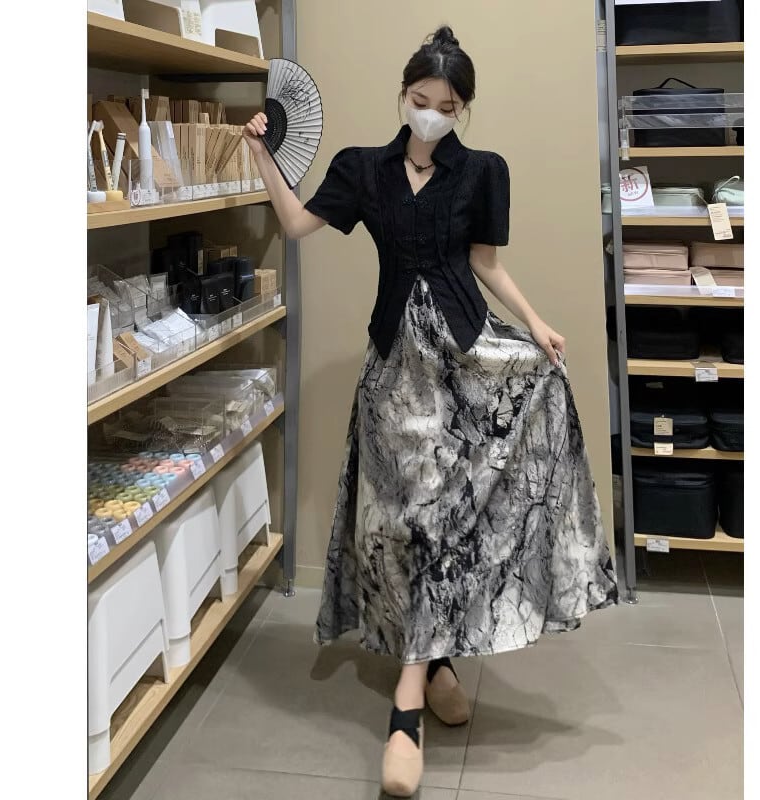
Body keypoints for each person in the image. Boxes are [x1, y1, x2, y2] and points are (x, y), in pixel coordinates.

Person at [244, 25, 618, 798]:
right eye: (421, 101)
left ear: (462, 109)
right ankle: (435, 664)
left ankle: (408, 704)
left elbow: (485, 265)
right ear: (403, 95)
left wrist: (536, 323)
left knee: (445, 523)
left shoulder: (483, 172)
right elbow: (296, 225)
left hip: (465, 365)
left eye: (447, 107)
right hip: (393, 375)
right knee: (407, 524)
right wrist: (262, 156)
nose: (432, 115)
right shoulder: (362, 169)